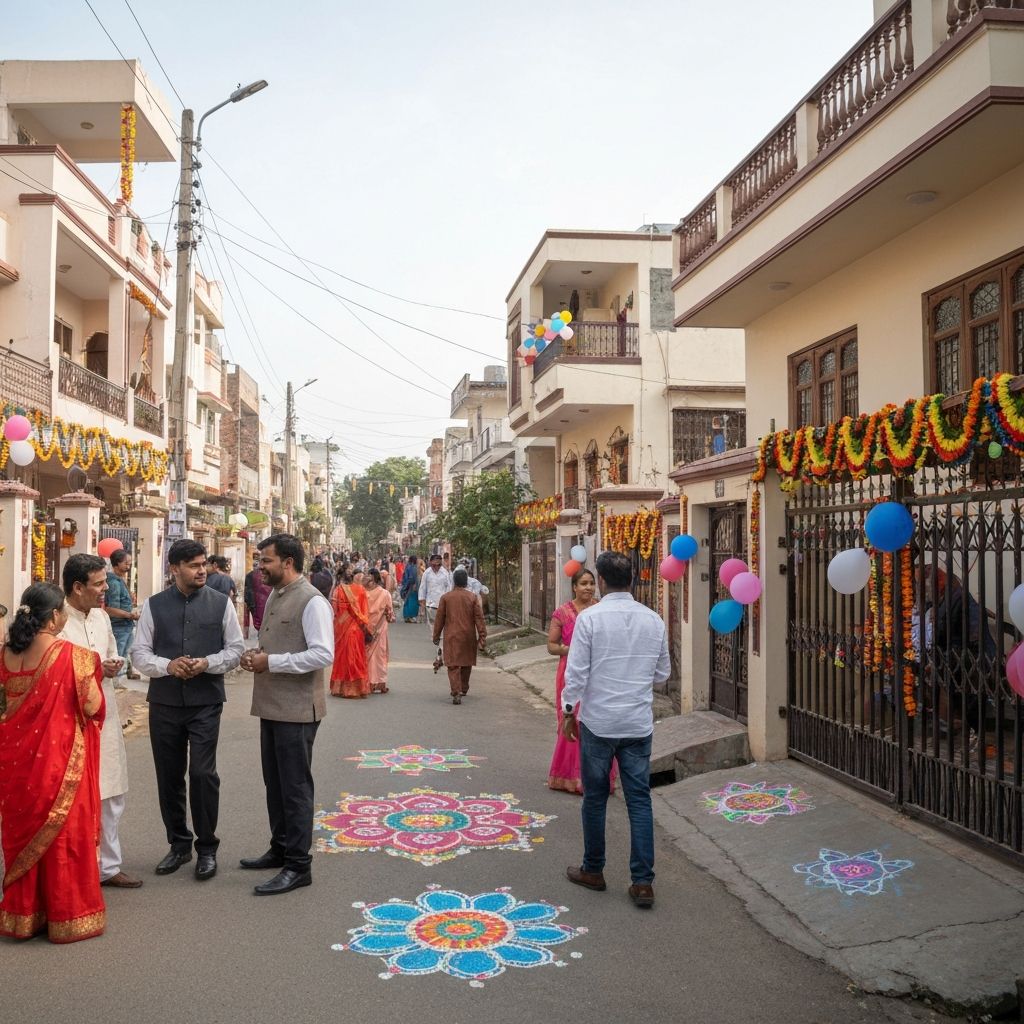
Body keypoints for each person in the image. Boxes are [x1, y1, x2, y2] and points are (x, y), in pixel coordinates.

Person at [562, 551, 670, 909]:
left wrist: (568, 710)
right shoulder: (654, 620)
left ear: (602, 582)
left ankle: (593, 869)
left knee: (595, 798)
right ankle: (643, 882)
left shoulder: (589, 619)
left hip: (599, 722)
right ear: (633, 579)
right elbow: (662, 674)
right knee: (639, 799)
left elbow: (577, 673)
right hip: (637, 723)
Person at [131, 539, 244, 881]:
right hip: (164, 702)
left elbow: (235, 649)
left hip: (206, 701)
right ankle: (179, 844)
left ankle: (207, 847)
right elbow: (139, 653)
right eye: (194, 565)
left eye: (203, 564)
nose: (201, 570)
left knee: (202, 774)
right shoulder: (154, 605)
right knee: (169, 775)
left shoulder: (221, 604)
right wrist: (168, 666)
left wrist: (207, 662)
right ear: (174, 568)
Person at [0, 583, 106, 943]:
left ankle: (24, 916)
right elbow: (92, 706)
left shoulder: (5, 655)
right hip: (59, 762)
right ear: (55, 616)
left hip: (14, 763)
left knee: (24, 834)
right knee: (63, 838)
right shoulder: (74, 657)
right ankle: (66, 914)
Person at [239, 534, 334, 896]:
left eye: (266, 560)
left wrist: (272, 662)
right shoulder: (278, 594)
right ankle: (280, 848)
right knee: (275, 783)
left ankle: (298, 865)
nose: (260, 567)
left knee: (294, 788)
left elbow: (323, 654)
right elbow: (278, 644)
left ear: (288, 562)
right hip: (272, 705)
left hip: (297, 709)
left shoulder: (312, 601)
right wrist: (256, 656)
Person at [60, 554, 142, 890]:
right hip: (68, 718)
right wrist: (94, 667)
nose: (106, 588)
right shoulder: (55, 619)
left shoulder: (101, 617)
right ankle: (75, 867)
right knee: (72, 796)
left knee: (110, 791)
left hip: (103, 715)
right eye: (99, 583)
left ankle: (108, 866)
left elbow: (109, 653)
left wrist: (111, 664)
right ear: (78, 587)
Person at [546, 567, 616, 796]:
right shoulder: (562, 613)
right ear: (574, 587)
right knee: (571, 720)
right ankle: (568, 776)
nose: (588, 588)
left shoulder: (601, 610)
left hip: (597, 673)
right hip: (569, 672)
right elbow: (551, 646)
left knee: (594, 720)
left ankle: (596, 777)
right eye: (583, 583)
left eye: (591, 583)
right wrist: (574, 650)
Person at [432, 568, 487, 705]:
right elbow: (479, 618)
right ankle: (463, 688)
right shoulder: (472, 597)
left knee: (453, 665)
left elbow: (439, 619)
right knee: (466, 662)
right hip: (468, 635)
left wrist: (436, 635)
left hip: (452, 636)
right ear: (466, 582)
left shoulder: (446, 598)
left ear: (454, 581)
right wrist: (482, 636)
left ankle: (456, 691)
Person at [329, 562, 372, 698]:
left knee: (342, 657)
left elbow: (335, 610)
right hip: (356, 628)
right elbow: (364, 612)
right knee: (356, 658)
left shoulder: (337, 590)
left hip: (341, 628)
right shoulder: (361, 590)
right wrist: (365, 625)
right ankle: (356, 689)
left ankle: (339, 688)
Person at [105, 548, 140, 679]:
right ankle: (114, 683)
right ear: (117, 563)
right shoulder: (114, 583)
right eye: (126, 563)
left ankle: (120, 679)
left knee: (124, 654)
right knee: (117, 657)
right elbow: (111, 609)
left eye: (130, 563)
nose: (129, 566)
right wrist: (131, 615)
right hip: (119, 626)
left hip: (125, 625)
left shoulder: (120, 580)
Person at [364, 569, 395, 694]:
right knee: (379, 657)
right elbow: (391, 615)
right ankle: (378, 683)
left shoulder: (362, 593)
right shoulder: (385, 594)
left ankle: (370, 683)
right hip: (378, 629)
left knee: (370, 656)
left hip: (367, 629)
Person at [418, 552, 452, 628]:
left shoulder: (445, 573)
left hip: (442, 603)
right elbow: (423, 587)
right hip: (430, 603)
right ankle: (434, 634)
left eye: (439, 565)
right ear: (430, 563)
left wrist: (448, 601)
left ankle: (438, 633)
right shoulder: (427, 573)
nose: (436, 567)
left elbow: (449, 587)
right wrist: (422, 601)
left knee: (441, 623)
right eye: (434, 565)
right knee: (432, 624)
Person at [244, 551, 271, 640]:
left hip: (259, 605)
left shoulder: (251, 575)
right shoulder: (269, 574)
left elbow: (248, 592)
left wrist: (251, 605)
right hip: (263, 604)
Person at [399, 554, 420, 623]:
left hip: (407, 585)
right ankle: (410, 616)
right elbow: (412, 577)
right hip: (412, 586)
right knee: (412, 601)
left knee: (407, 601)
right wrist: (414, 585)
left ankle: (407, 616)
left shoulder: (407, 566)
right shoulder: (413, 567)